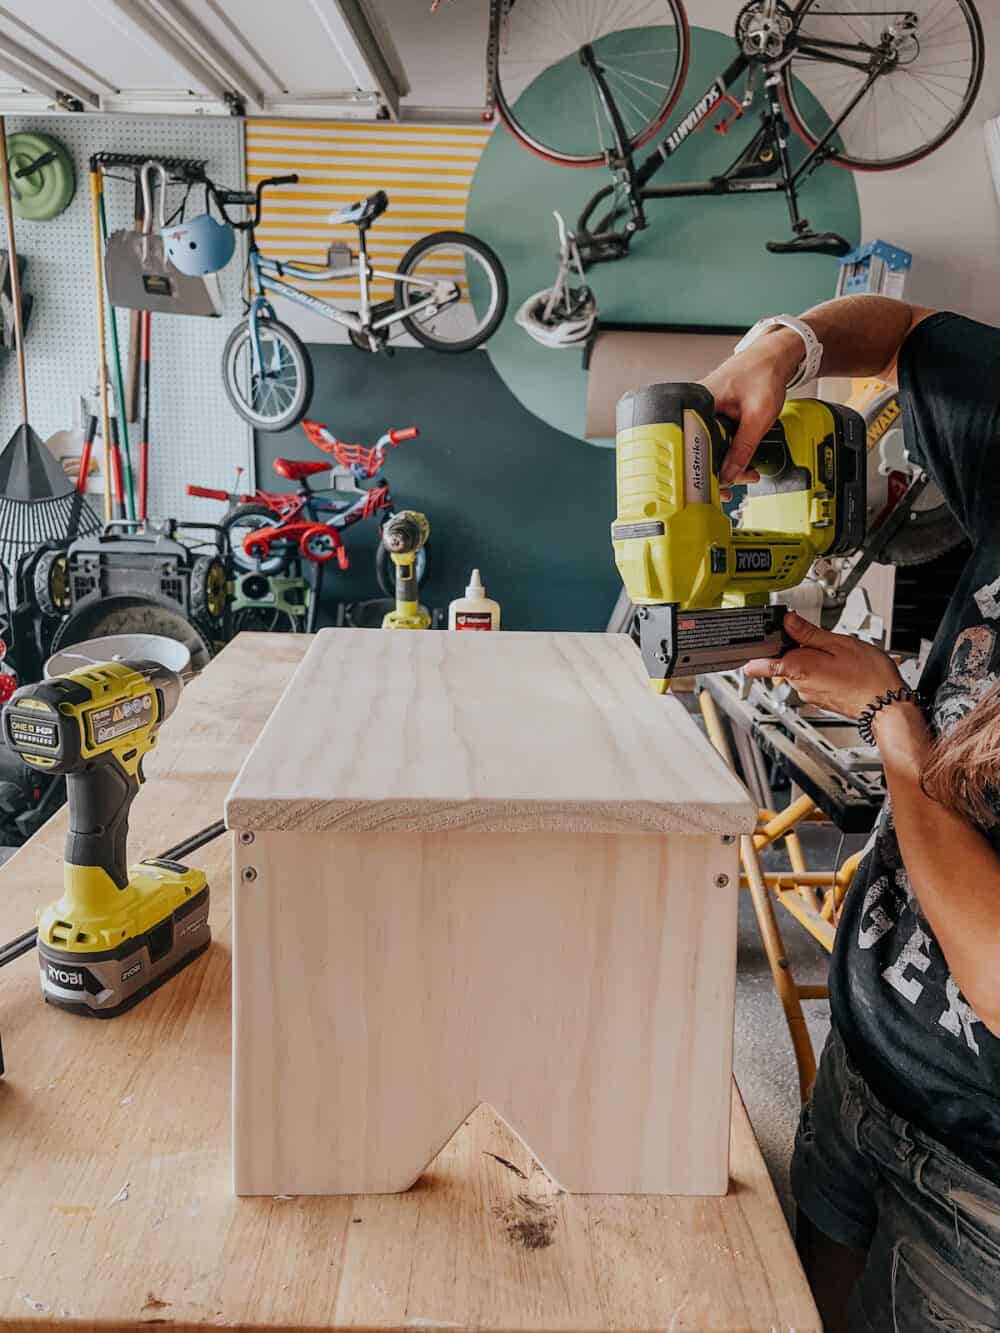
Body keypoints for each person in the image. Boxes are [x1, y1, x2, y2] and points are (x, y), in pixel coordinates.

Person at [702, 297, 1000, 1333]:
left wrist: (888, 716)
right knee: (798, 1304)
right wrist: (778, 350)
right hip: (866, 1053)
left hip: (984, 1191)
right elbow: (907, 330)